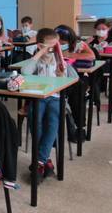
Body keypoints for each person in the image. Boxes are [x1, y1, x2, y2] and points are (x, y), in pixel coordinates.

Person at [21, 28, 78, 179]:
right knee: (35, 118)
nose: (53, 49)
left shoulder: (60, 61)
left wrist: (62, 76)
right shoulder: (36, 61)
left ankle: (39, 160)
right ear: (40, 46)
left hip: (56, 97)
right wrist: (39, 53)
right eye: (50, 47)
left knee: (53, 120)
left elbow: (74, 78)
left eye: (56, 45)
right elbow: (24, 72)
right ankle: (45, 161)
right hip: (38, 97)